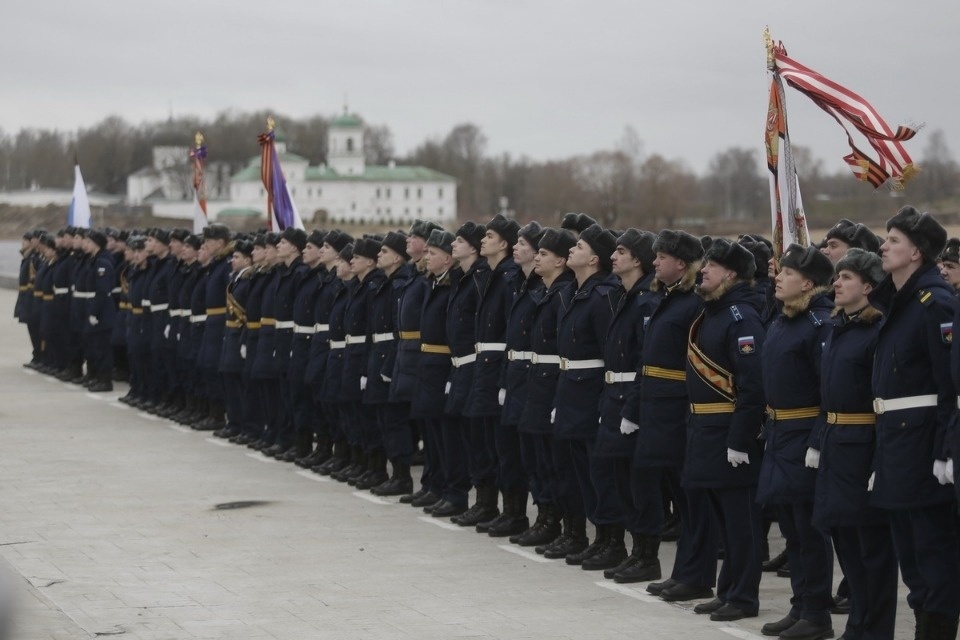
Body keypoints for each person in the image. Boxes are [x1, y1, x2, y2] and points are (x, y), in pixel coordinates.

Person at [870, 206, 960, 640]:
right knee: (911, 553)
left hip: (925, 447)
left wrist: (946, 449)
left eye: (893, 240)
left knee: (933, 550)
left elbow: (950, 385)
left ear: (917, 254)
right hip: (897, 446)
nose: (883, 246)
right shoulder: (899, 303)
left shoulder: (934, 303)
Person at [813, 248, 898, 640]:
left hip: (863, 447)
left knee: (872, 550)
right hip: (836, 445)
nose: (837, 283)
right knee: (845, 542)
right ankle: (858, 625)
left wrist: (881, 460)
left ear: (868, 286)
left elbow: (881, 400)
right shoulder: (837, 329)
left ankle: (874, 629)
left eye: (846, 278)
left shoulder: (875, 333)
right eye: (837, 276)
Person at [682, 238, 766, 621]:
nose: (702, 271)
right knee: (723, 520)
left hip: (730, 432)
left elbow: (752, 386)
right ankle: (728, 588)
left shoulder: (741, 317)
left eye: (711, 266)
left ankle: (744, 597)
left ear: (730, 274)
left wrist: (740, 439)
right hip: (706, 428)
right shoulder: (713, 312)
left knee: (741, 523)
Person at [617, 230, 703, 586]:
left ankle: (692, 573)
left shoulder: (692, 302)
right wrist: (634, 409)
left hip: (677, 410)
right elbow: (646, 362)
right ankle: (664, 564)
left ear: (680, 264)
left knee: (687, 498)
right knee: (657, 485)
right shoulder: (665, 298)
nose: (654, 263)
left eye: (661, 258)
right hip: (655, 407)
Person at [758, 244, 836, 640]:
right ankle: (800, 604)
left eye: (786, 273)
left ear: (807, 282)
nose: (778, 277)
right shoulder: (784, 320)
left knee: (810, 529)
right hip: (779, 435)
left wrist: (818, 441)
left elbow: (828, 391)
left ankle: (817, 613)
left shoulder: (818, 324)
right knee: (792, 529)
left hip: (804, 435)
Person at [592, 229, 662, 576]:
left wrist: (633, 409)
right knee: (620, 479)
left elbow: (642, 362)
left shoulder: (647, 301)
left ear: (637, 259)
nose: (614, 257)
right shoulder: (624, 296)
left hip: (632, 402)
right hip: (614, 399)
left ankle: (647, 556)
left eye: (621, 252)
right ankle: (634, 552)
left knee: (640, 483)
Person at [552, 223, 618, 567]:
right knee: (581, 469)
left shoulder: (603, 296)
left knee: (600, 470)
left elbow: (612, 352)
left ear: (594, 259)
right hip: (572, 391)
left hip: (592, 391)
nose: (572, 251)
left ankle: (612, 540)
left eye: (578, 247)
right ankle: (597, 536)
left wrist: (604, 401)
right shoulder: (575, 293)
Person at [469, 214, 522, 534]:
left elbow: (510, 334)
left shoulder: (508, 277)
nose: (483, 241)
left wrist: (503, 378)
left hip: (498, 367)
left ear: (504, 243)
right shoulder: (489, 275)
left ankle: (512, 511)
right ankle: (488, 504)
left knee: (503, 445)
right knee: (484, 441)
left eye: (489, 236)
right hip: (483, 367)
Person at [493, 221, 544, 536]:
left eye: (523, 244)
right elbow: (508, 339)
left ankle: (544, 518)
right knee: (510, 448)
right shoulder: (516, 282)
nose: (517, 247)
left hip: (532, 376)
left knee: (535, 454)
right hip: (513, 373)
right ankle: (512, 511)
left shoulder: (543, 287)